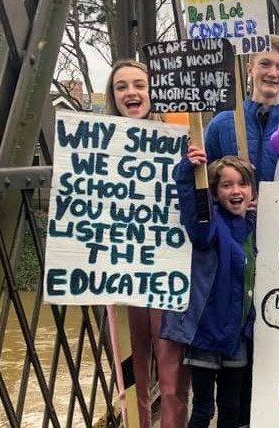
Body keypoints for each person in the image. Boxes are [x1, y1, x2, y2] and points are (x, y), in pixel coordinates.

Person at [105, 59, 190, 428]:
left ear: (153, 91)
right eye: (122, 86)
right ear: (113, 96)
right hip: (119, 268)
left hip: (166, 267)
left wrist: (195, 167)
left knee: (171, 367)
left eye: (139, 84)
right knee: (131, 368)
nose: (131, 93)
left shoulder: (178, 137)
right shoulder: (97, 140)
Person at [161, 153, 257, 428]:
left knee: (231, 406)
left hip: (236, 335)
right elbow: (195, 211)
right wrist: (186, 172)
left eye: (242, 184)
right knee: (204, 408)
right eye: (226, 185)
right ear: (214, 192)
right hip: (206, 333)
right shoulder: (210, 226)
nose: (236, 191)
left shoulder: (252, 225)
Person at [204, 35, 279, 182]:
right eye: (265, 64)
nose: (272, 73)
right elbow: (201, 183)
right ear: (249, 70)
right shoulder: (221, 123)